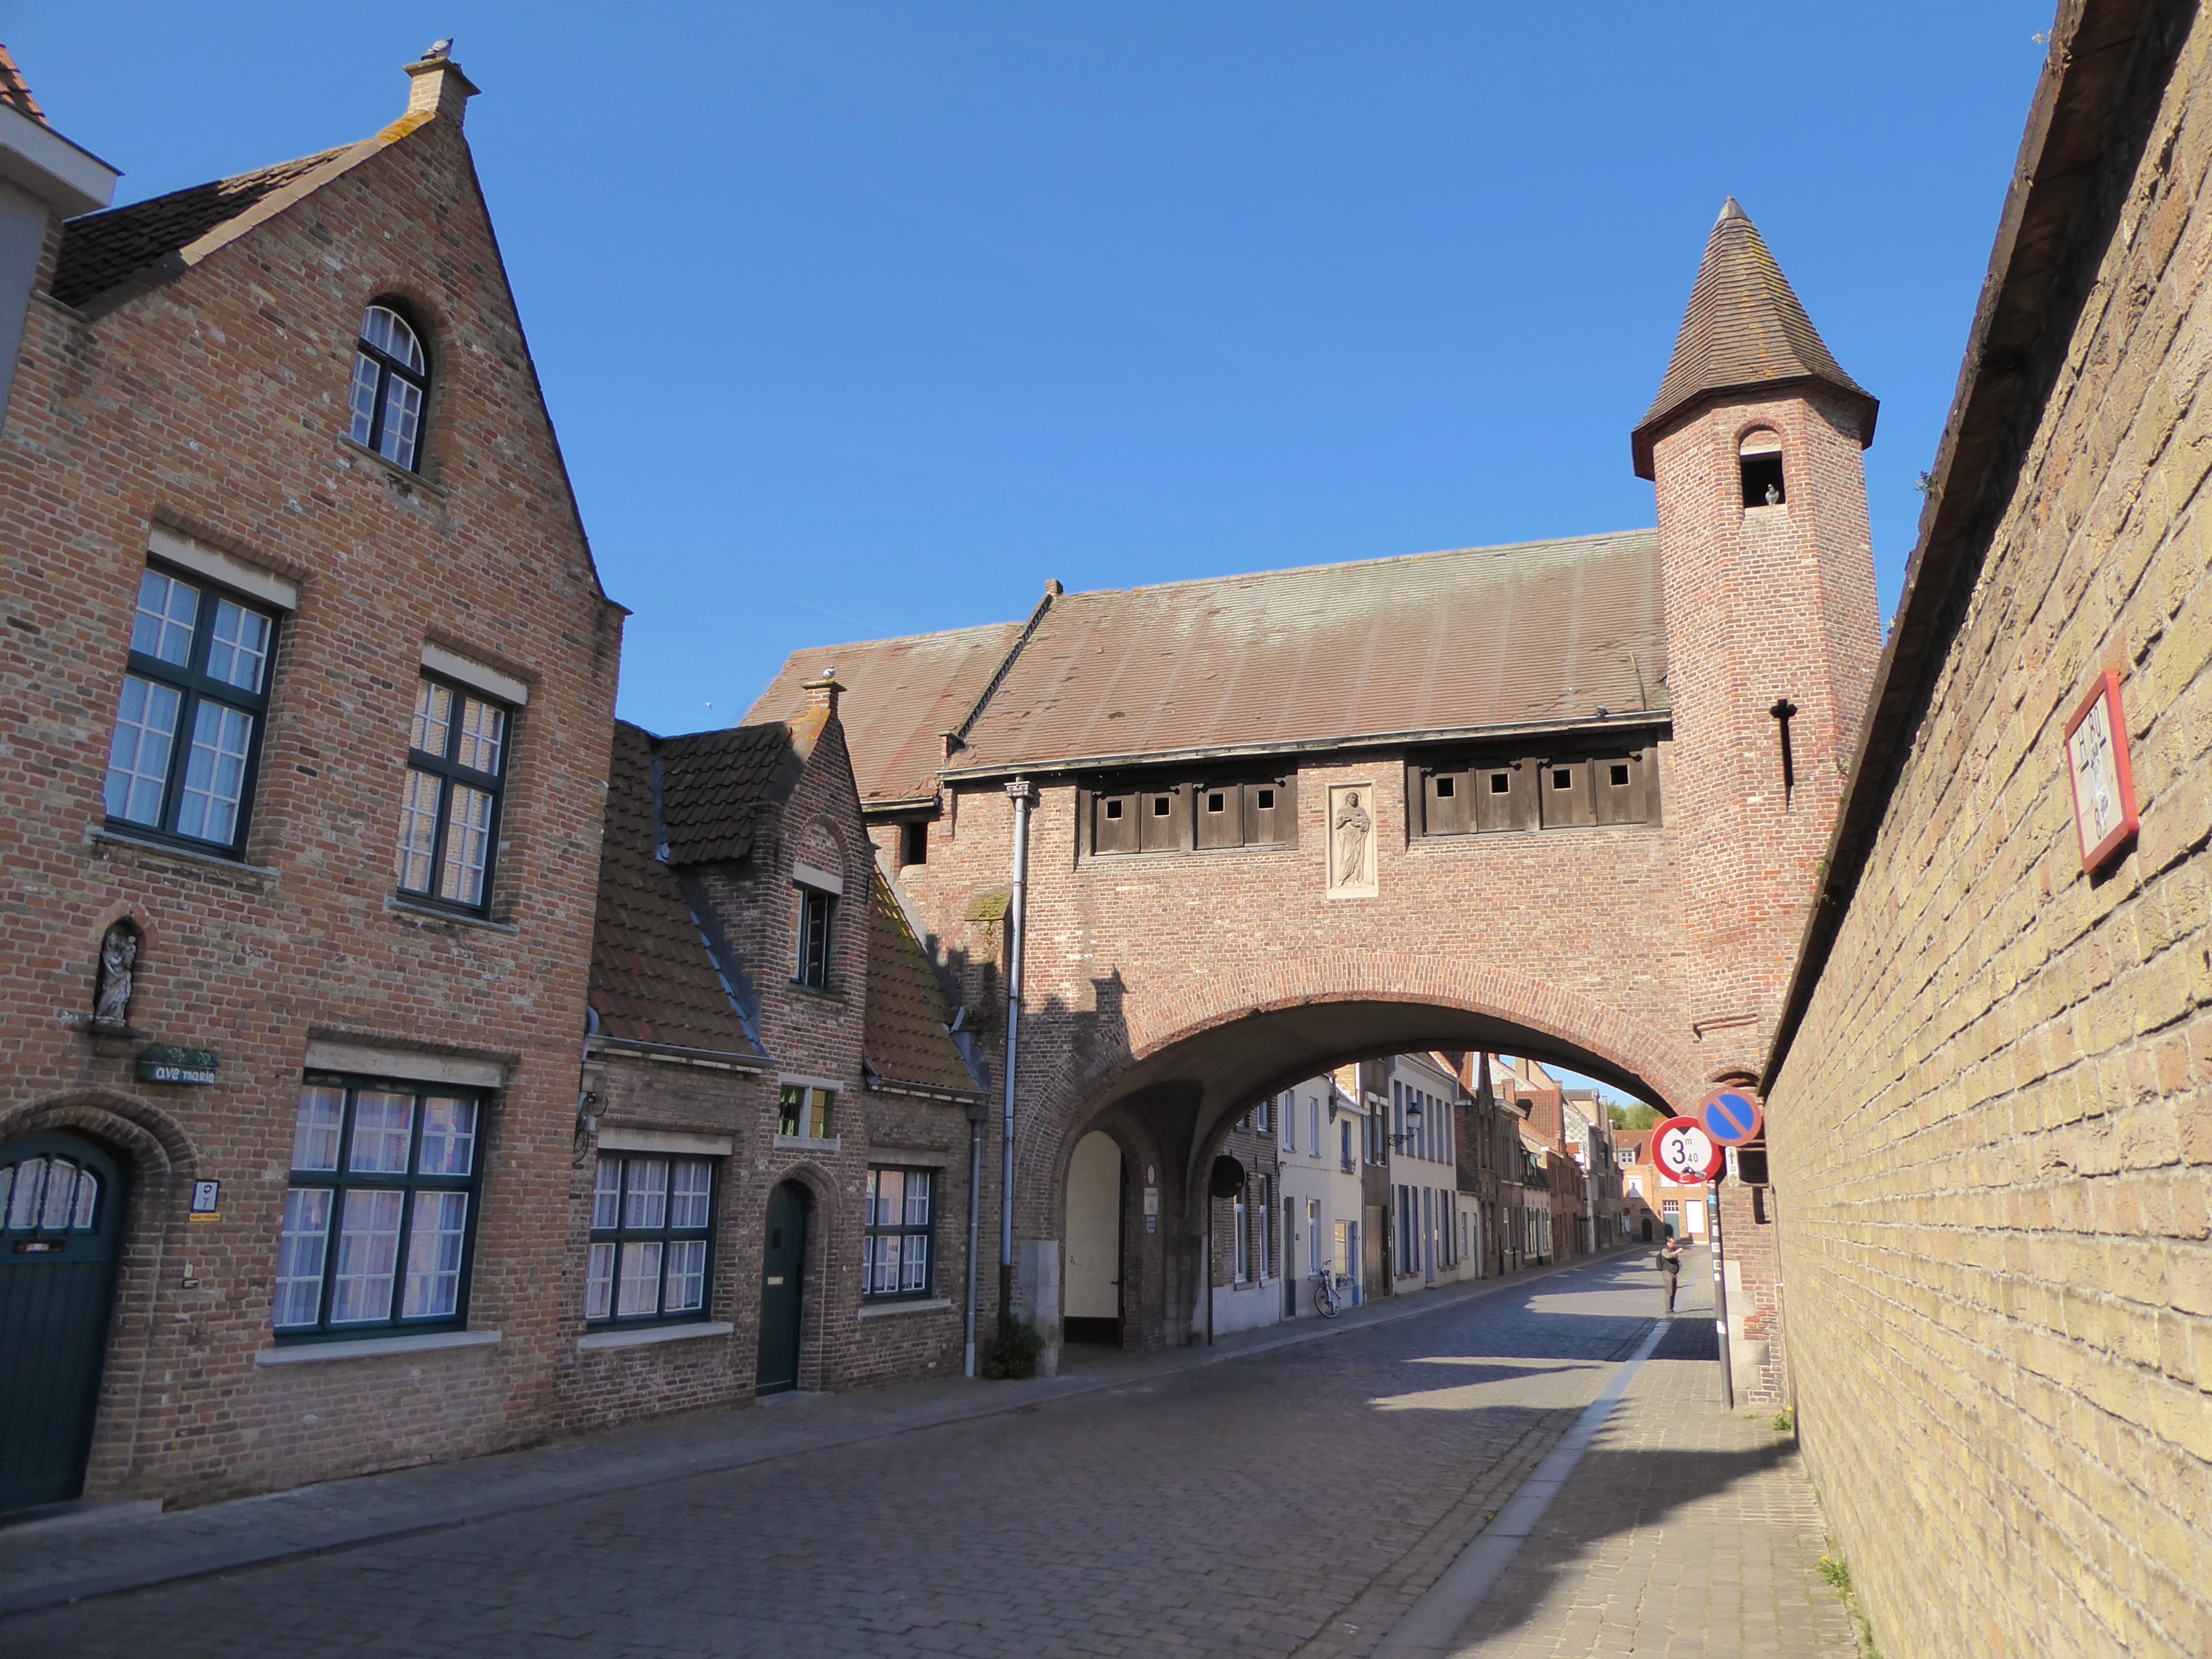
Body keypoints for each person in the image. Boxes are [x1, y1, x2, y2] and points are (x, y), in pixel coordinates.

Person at [1657, 1231, 1684, 1313]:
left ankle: (1672, 1308)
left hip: (1674, 1272)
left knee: (1674, 1291)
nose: (1675, 1245)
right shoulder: (1664, 1250)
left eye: (1675, 1243)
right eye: (1673, 1243)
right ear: (1668, 1242)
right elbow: (1668, 1256)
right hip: (1667, 1272)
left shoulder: (1673, 1249)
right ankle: (1668, 1309)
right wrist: (1677, 1252)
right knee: (1669, 1291)